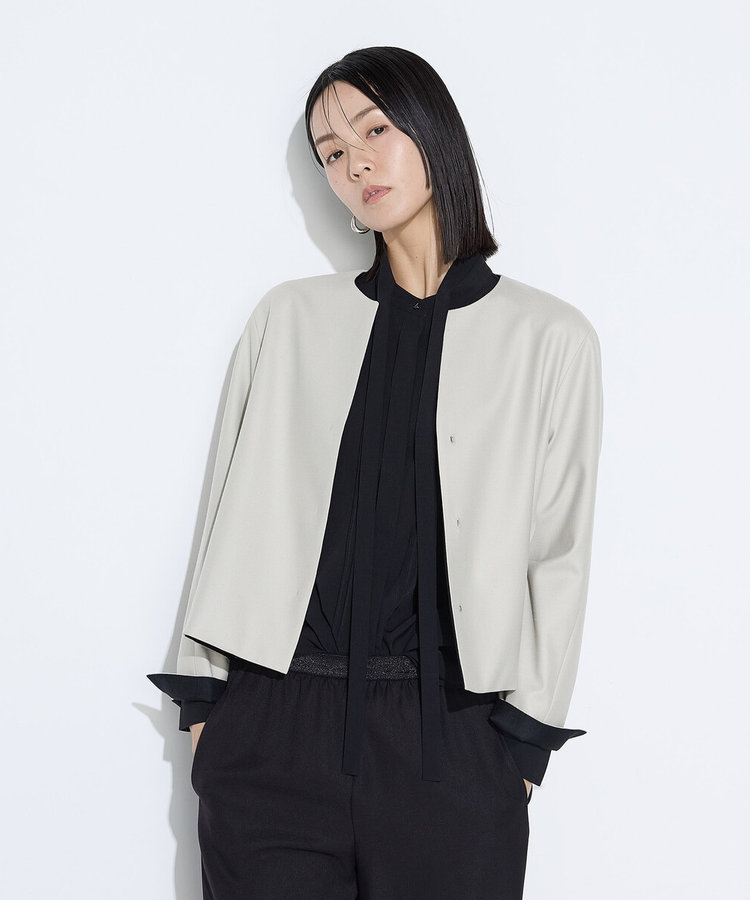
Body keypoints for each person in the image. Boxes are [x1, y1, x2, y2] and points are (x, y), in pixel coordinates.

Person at [148, 45, 603, 900]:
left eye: (374, 130)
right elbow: (226, 516)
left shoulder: (549, 338)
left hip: (454, 744)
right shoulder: (289, 320)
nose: (353, 162)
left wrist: (521, 747)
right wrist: (208, 708)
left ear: (435, 133)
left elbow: (559, 550)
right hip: (273, 730)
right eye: (329, 150)